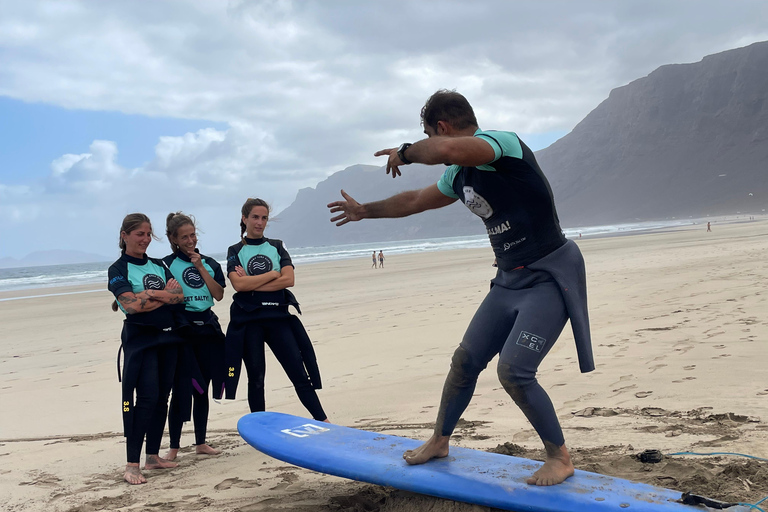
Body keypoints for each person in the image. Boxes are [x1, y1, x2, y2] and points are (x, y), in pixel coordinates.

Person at [327, 90, 593, 486]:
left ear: (441, 127)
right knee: (465, 361)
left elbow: (448, 148)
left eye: (431, 136)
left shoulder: (502, 146)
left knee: (514, 371)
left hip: (548, 276)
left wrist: (406, 150)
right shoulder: (458, 174)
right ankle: (439, 440)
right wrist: (366, 211)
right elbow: (417, 199)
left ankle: (560, 457)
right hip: (508, 280)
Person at [224, 198, 328, 422]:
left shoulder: (277, 246)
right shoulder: (234, 250)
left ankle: (324, 421)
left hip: (278, 318)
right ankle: (260, 428)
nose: (259, 222)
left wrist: (253, 282)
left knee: (298, 373)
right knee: (257, 378)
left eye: (263, 218)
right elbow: (238, 285)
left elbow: (289, 280)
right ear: (244, 219)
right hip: (250, 321)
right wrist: (272, 274)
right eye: (255, 217)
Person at [107, 213, 186, 485]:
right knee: (146, 399)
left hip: (168, 338)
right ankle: (132, 464)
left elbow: (179, 296)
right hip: (142, 342)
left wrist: (150, 295)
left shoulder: (158, 264)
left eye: (149, 234)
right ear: (124, 235)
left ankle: (152, 457)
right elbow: (129, 305)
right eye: (139, 234)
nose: (145, 239)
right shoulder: (118, 269)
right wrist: (161, 294)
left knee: (163, 397)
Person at [162, 212, 226, 461]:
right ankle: (174, 447)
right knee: (182, 389)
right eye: (184, 237)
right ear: (174, 239)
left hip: (208, 329)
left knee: (203, 389)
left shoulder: (209, 263)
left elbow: (218, 295)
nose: (190, 241)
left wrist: (199, 267)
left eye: (193, 235)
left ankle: (201, 442)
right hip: (183, 331)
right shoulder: (166, 265)